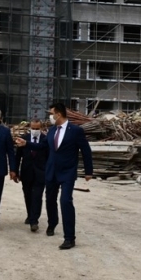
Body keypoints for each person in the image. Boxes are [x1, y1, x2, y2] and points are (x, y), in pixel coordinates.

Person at [39, 102, 93, 250]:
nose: (50, 117)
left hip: (67, 172)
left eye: (51, 114)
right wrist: (26, 144)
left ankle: (69, 238)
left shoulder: (75, 131)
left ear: (59, 114)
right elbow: (43, 146)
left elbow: (85, 150)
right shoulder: (51, 131)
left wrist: (89, 171)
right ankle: (52, 223)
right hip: (51, 171)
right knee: (50, 200)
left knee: (65, 201)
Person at [14, 119, 48, 232]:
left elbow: (49, 157)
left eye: (37, 128)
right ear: (30, 127)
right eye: (33, 128)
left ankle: (34, 221)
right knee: (28, 195)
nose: (35, 130)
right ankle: (30, 215)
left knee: (37, 196)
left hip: (40, 173)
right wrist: (15, 171)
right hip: (26, 172)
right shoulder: (24, 139)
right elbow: (18, 156)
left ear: (41, 128)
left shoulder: (45, 140)